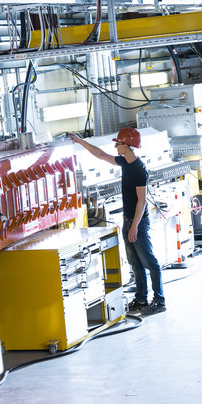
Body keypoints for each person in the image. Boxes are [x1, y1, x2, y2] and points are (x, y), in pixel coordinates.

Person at [68, 128, 166, 315]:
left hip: (138, 223)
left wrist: (135, 226)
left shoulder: (139, 169)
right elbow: (101, 154)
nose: (116, 146)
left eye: (119, 143)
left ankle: (159, 301)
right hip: (129, 221)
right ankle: (141, 299)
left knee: (149, 262)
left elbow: (142, 200)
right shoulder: (124, 163)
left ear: (128, 146)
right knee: (135, 263)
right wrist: (80, 141)